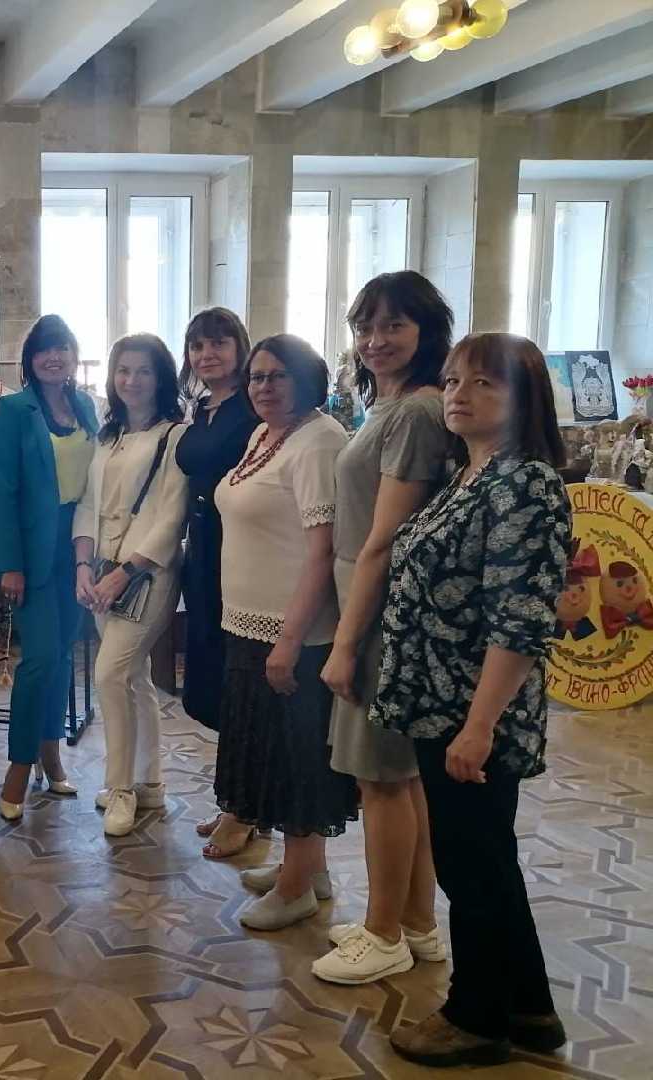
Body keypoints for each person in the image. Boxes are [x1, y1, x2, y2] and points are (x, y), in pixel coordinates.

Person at [374, 334, 570, 1068]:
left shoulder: (526, 484)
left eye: (484, 382)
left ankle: (476, 1015)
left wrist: (479, 725)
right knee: (486, 857)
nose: (460, 393)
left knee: (471, 864)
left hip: (472, 710)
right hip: (439, 700)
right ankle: (530, 1007)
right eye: (455, 380)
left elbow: (519, 619)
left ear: (524, 400)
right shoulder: (471, 474)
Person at [291, 272, 454, 985]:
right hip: (372, 604)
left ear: (426, 331)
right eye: (365, 326)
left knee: (381, 779)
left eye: (393, 325)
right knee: (401, 776)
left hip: (380, 613)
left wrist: (347, 643)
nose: (375, 340)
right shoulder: (389, 405)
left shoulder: (416, 412)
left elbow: (384, 541)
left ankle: (384, 933)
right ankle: (416, 924)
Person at [213, 334, 357, 930]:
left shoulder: (319, 440)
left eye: (277, 376)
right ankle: (308, 869)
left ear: (306, 378)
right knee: (272, 752)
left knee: (299, 760)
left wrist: (290, 640)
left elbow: (323, 553)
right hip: (249, 622)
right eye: (256, 376)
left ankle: (296, 888)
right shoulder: (265, 435)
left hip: (292, 631)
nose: (264, 387)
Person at [73, 335, 188, 836]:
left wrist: (126, 572)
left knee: (110, 674)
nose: (132, 380)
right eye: (124, 370)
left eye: (143, 371)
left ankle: (120, 788)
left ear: (161, 378)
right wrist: (83, 565)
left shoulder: (175, 435)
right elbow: (87, 504)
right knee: (135, 678)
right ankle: (150, 781)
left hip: (148, 574)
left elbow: (172, 517)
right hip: (102, 570)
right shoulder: (108, 437)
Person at [0, 315, 99, 821]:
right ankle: (18, 765)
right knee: (38, 659)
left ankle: (51, 753)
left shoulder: (86, 406)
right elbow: (2, 490)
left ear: (74, 356)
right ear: (30, 360)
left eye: (63, 348)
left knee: (61, 656)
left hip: (79, 544)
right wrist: (10, 564)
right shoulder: (14, 409)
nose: (54, 357)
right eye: (44, 350)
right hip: (32, 551)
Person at [173, 308, 261, 856]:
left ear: (239, 347)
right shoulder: (202, 409)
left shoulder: (254, 406)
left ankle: (244, 808)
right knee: (214, 678)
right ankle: (240, 798)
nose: (207, 355)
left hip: (242, 549)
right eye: (197, 346)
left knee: (241, 682)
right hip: (203, 551)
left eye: (219, 343)